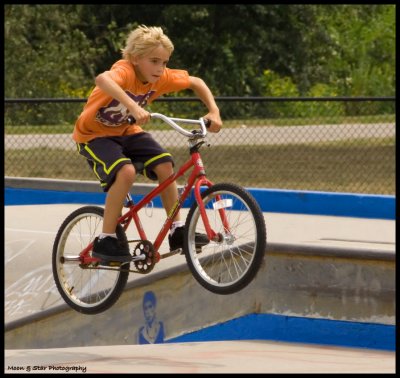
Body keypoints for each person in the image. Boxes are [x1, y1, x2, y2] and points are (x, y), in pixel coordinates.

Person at [73, 25, 222, 265]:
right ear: (135, 58)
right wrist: (132, 106)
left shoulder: (161, 77)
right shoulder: (125, 71)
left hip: (127, 131)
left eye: (164, 62)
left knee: (165, 165)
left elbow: (196, 82)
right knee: (126, 171)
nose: (160, 68)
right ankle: (106, 237)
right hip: (93, 135)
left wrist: (214, 111)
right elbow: (102, 79)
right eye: (154, 61)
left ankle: (177, 230)